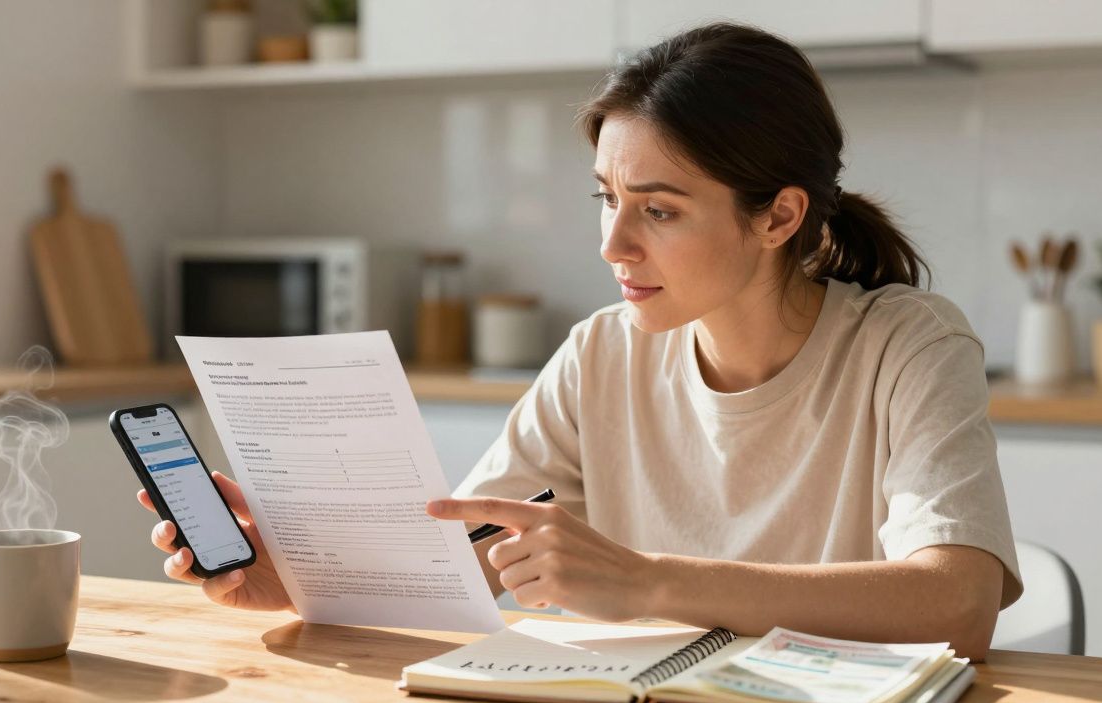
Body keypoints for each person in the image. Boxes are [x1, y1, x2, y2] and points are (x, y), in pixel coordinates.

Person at [139, 23, 1021, 661]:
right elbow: (464, 551)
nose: (613, 245)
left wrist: (646, 581)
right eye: (607, 198)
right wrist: (292, 578)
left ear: (779, 216)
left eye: (660, 209)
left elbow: (958, 601)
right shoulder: (604, 353)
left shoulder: (908, 344)